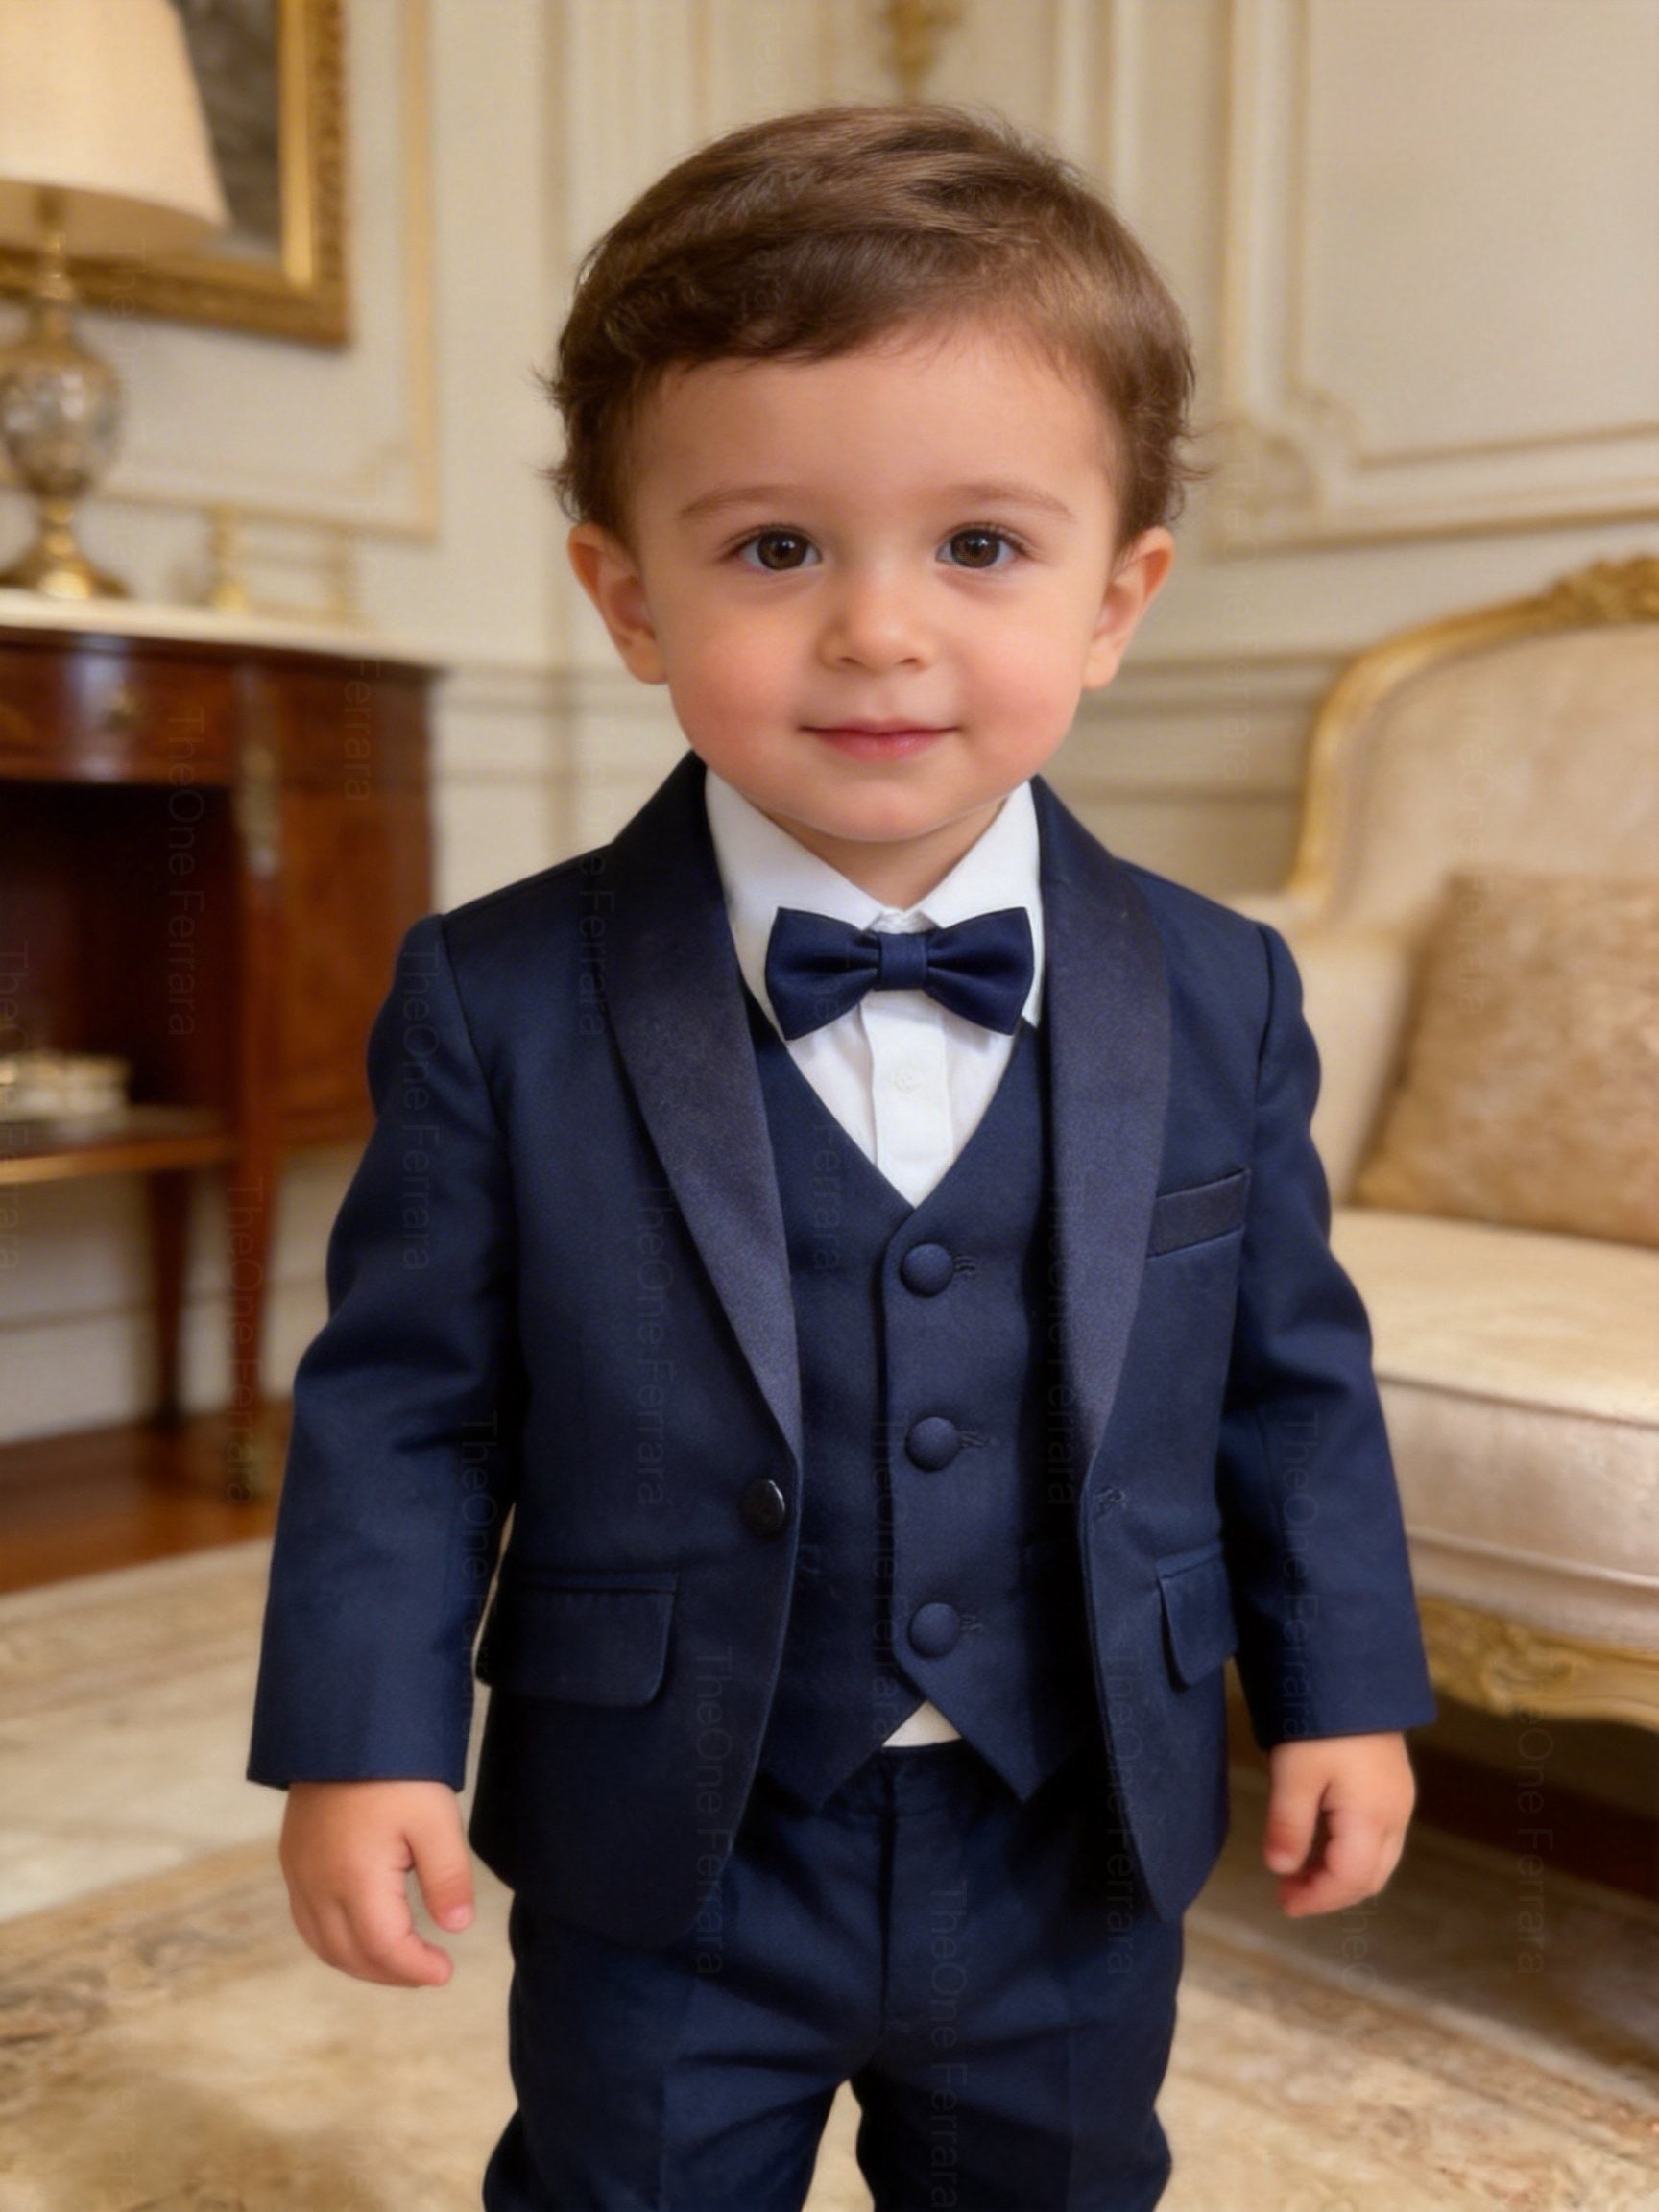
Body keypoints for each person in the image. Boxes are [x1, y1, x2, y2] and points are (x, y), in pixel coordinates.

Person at [249, 100, 1437, 2211]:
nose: (879, 630)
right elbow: (405, 1417)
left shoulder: (1225, 988)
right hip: (668, 1839)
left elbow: (1289, 1385)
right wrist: (363, 1736)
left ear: (1119, 597)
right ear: (628, 594)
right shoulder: (494, 998)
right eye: (776, 548)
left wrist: (1345, 1691)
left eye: (979, 546)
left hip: (1071, 1826)